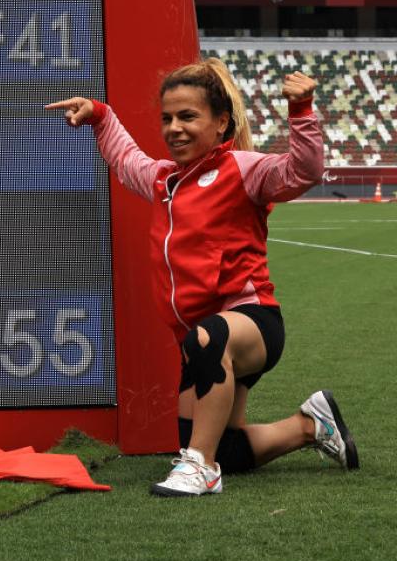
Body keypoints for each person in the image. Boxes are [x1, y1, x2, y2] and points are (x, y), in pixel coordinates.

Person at [45, 58, 359, 497]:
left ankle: (200, 470)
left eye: (188, 116)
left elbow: (303, 171)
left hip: (252, 323)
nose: (175, 128)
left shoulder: (244, 169)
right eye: (168, 118)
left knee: (206, 368)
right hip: (202, 347)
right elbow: (125, 157)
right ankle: (310, 426)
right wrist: (99, 113)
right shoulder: (163, 181)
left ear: (220, 122)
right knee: (222, 446)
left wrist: (302, 108)